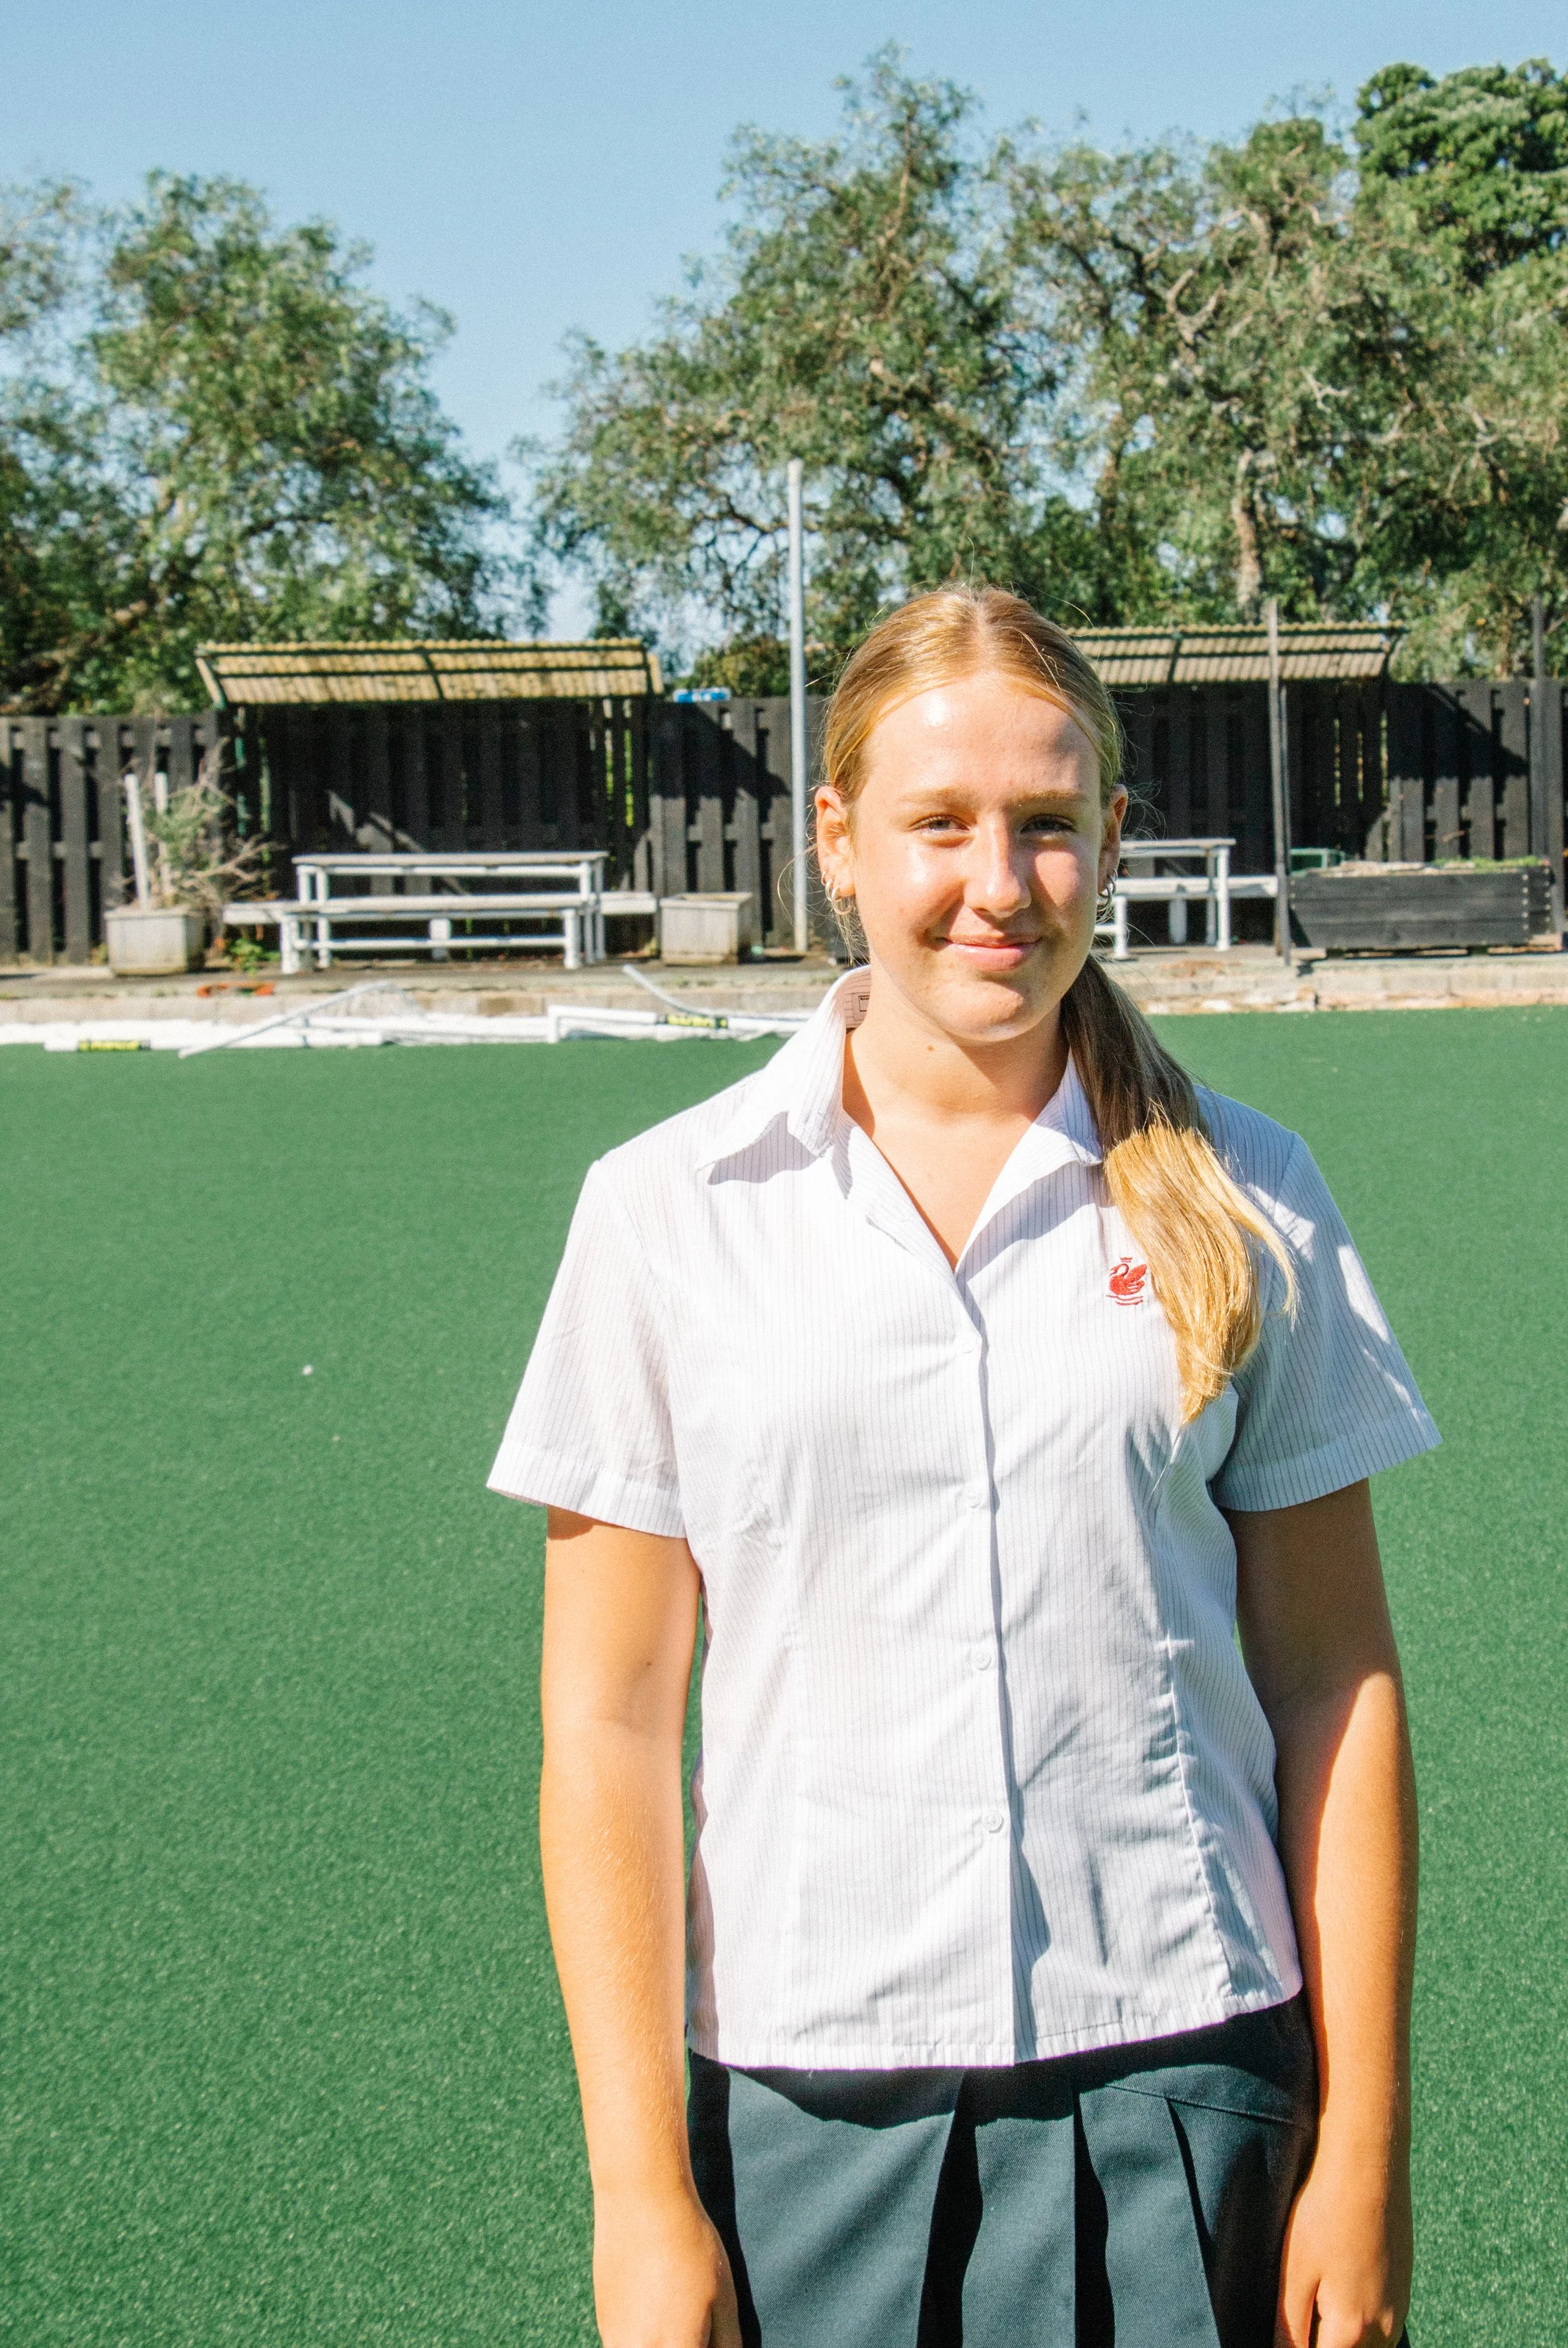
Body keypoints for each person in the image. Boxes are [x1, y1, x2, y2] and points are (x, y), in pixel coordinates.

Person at [489, 586, 1436, 2348]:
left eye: (1045, 824)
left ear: (1112, 839)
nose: (997, 883)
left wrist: (1363, 2152)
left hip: (1182, 2073)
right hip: (806, 2111)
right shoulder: (664, 1214)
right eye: (937, 823)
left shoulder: (1251, 1193)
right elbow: (607, 1726)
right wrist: (639, 2195)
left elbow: (1333, 1683)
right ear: (834, 841)